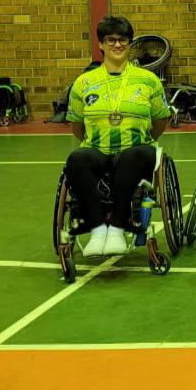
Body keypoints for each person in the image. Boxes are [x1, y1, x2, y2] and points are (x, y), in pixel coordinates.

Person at [65, 16, 171, 257]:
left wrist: (144, 139)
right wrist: (93, 143)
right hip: (98, 149)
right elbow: (77, 124)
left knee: (132, 155)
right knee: (77, 158)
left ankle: (117, 228)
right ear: (101, 44)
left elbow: (160, 120)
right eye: (110, 40)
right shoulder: (84, 82)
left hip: (137, 150)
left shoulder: (148, 80)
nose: (117, 44)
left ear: (129, 43)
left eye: (123, 39)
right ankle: (97, 229)